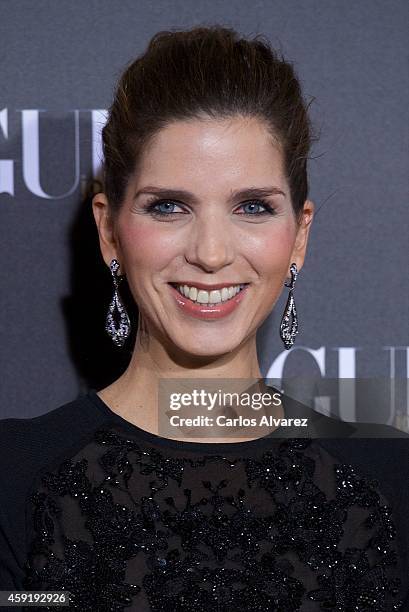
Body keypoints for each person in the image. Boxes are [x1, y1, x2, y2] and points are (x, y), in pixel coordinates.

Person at [0, 25, 408, 612]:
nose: (211, 253)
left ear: (299, 236)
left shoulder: (392, 480)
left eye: (252, 207)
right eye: (168, 206)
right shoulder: (15, 480)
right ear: (109, 230)